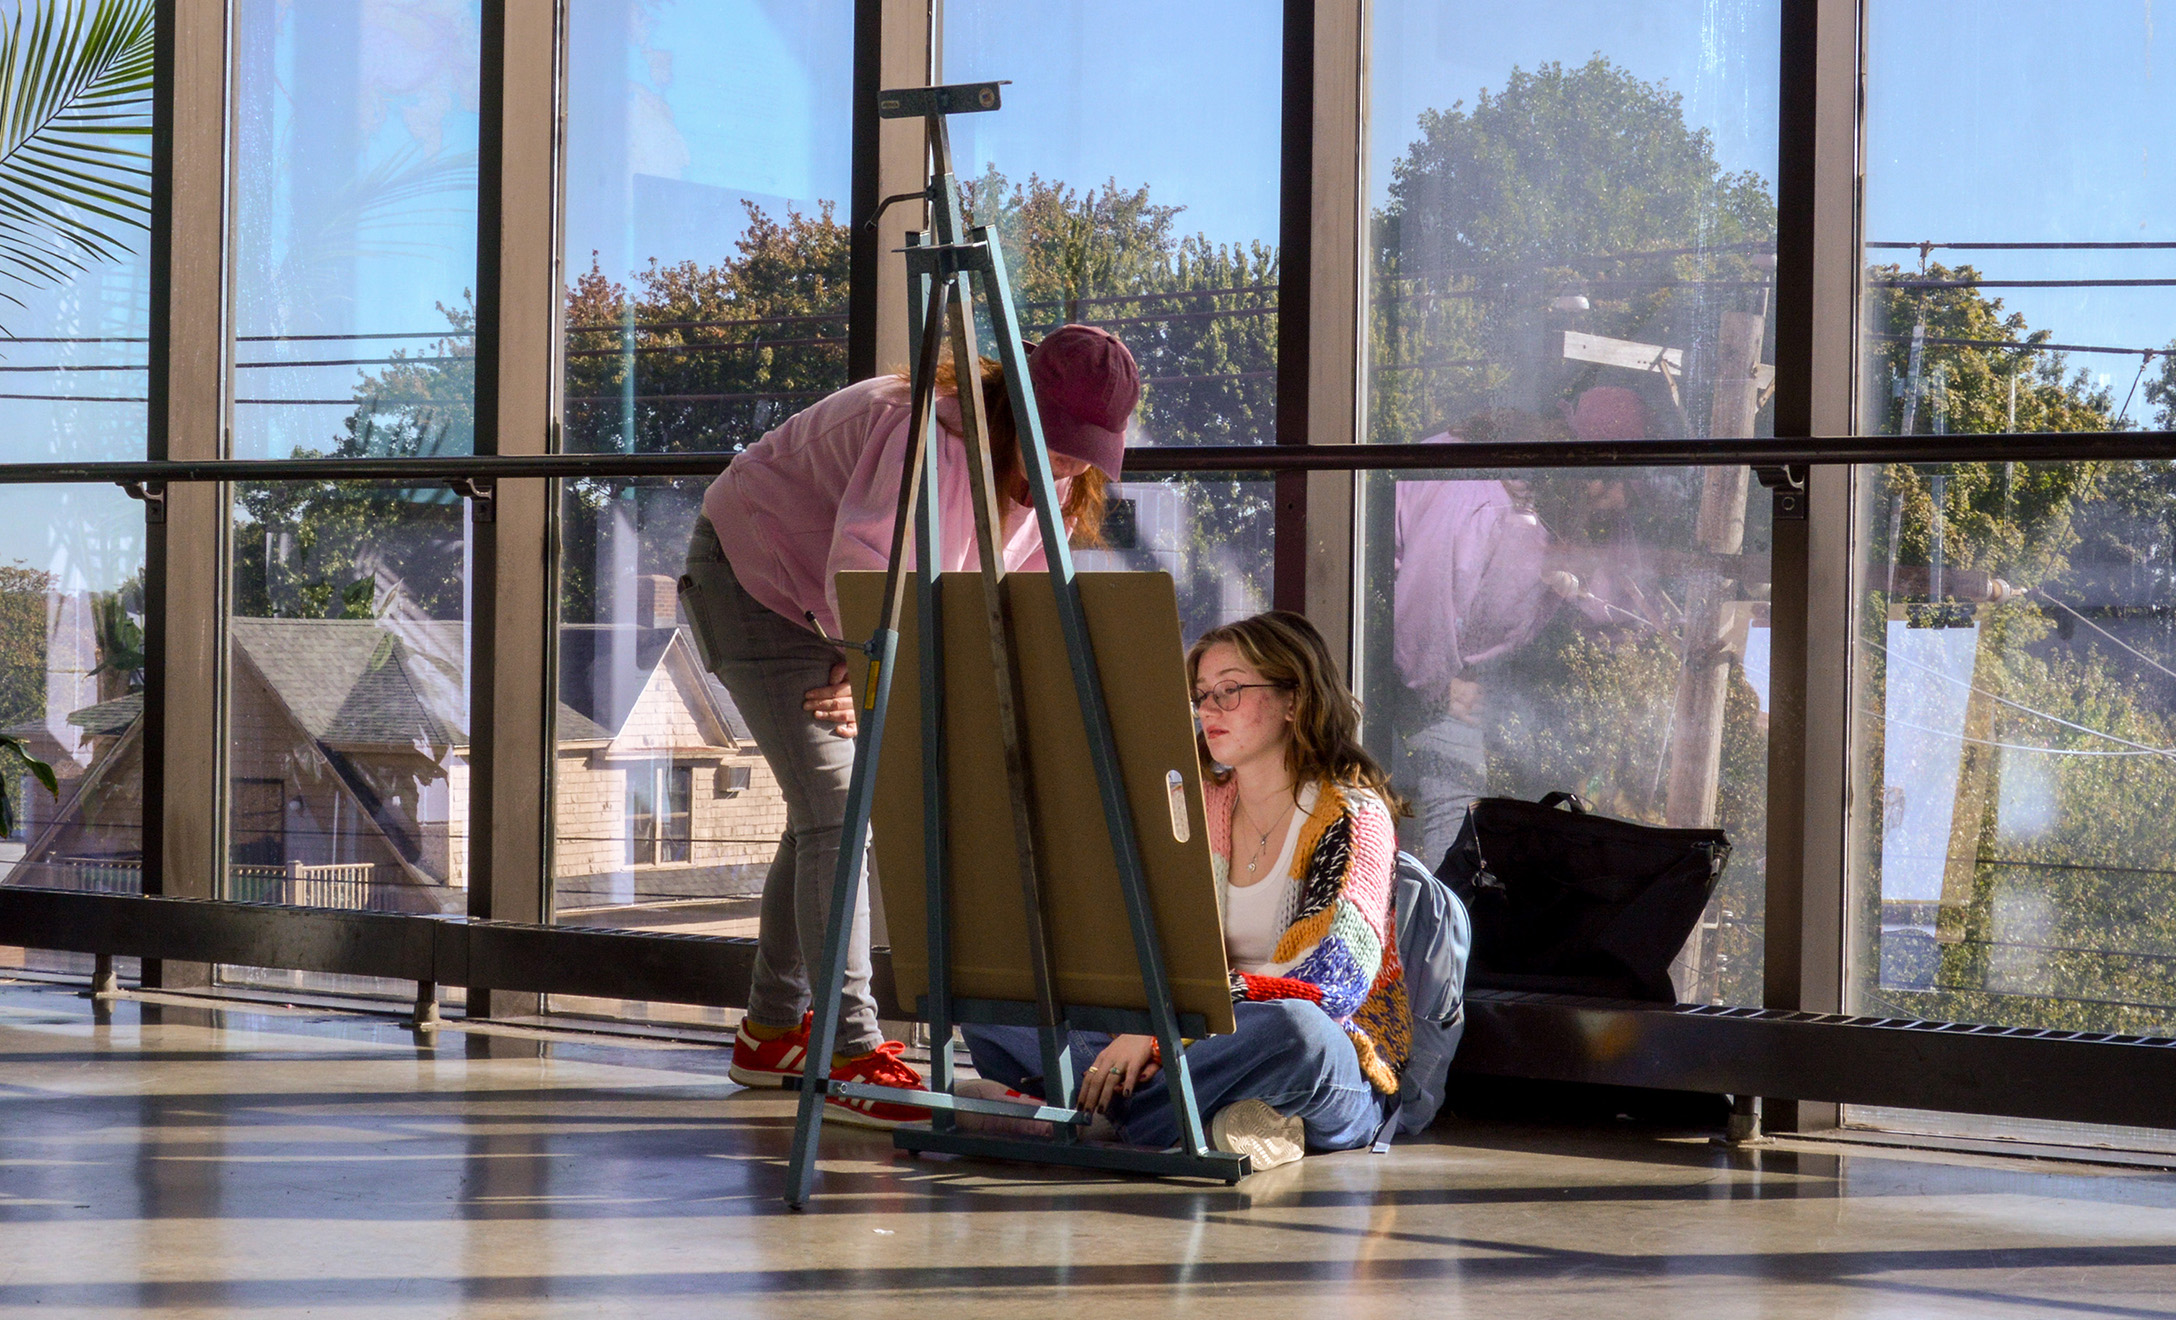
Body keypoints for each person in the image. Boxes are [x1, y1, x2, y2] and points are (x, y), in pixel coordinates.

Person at [680, 324, 1140, 1128]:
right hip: (755, 576)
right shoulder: (926, 430)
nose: (1067, 468)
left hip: (837, 606)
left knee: (824, 812)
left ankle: (771, 1033)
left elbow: (1012, 615)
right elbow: (863, 562)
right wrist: (863, 664)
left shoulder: (1054, 492)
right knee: (837, 809)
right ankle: (854, 1052)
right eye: (1056, 446)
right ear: (1013, 410)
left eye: (1084, 454)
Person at [958, 611, 1413, 1172]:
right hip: (1194, 1037)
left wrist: (1160, 1036)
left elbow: (1330, 986)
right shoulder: (1196, 802)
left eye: (1230, 691)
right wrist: (1145, 1022)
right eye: (1201, 695)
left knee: (1296, 1034)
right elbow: (1146, 940)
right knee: (994, 1009)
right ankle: (1202, 1120)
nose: (1208, 710)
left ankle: (1089, 1113)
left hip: (1328, 1054)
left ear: (1294, 698)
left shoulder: (1353, 815)